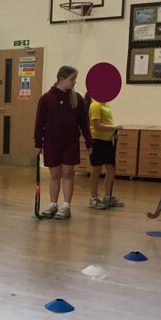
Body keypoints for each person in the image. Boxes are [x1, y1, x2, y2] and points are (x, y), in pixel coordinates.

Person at [34, 66, 92, 219]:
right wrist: (37, 143)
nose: (74, 82)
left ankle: (66, 206)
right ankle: (53, 204)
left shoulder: (77, 98)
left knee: (67, 173)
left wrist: (89, 141)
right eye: (72, 79)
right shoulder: (46, 98)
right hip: (51, 143)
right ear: (61, 79)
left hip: (70, 143)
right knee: (55, 175)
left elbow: (84, 122)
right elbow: (39, 123)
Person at [84, 93, 124, 209]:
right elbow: (97, 125)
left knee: (111, 168)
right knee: (96, 169)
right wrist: (113, 128)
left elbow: (106, 123)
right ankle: (93, 198)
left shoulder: (105, 105)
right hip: (97, 140)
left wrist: (113, 133)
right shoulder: (95, 105)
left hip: (107, 141)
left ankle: (108, 196)